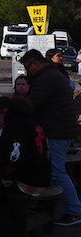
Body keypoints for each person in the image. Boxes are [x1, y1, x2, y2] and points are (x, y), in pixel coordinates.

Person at [20, 49, 81, 226]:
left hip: (57, 131)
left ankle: (75, 210)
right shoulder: (53, 75)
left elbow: (32, 104)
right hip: (62, 129)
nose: (27, 72)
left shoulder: (47, 79)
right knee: (54, 171)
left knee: (57, 172)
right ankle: (62, 207)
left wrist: (13, 106)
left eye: (27, 67)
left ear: (35, 63)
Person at [0, 97, 50, 190]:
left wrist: (5, 176)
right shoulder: (32, 121)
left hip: (27, 181)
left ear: (4, 112)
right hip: (42, 176)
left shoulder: (15, 126)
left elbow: (15, 156)